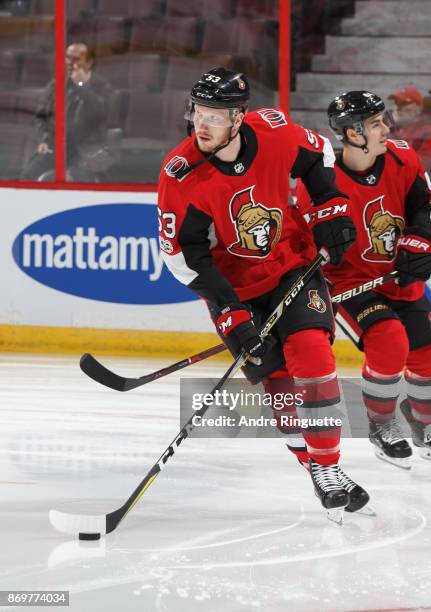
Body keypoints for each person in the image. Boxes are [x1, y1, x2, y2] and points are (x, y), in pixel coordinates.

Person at [158, 67, 370, 523]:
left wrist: (329, 210)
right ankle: (315, 463)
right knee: (281, 389)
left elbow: (316, 158)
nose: (203, 123)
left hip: (292, 264)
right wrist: (231, 313)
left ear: (239, 117)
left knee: (313, 357)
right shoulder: (180, 175)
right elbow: (184, 256)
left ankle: (330, 468)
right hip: (234, 290)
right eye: (199, 112)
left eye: (215, 114)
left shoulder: (274, 131)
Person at [296, 90, 431, 469]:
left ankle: (423, 423)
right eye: (375, 124)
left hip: (399, 278)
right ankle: (382, 425)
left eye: (383, 120)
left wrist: (420, 243)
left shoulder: (403, 157)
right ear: (352, 133)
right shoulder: (321, 181)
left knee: (426, 354)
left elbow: (425, 206)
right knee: (389, 341)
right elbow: (310, 241)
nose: (386, 128)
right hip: (351, 285)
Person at [21, 42, 113, 181]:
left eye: (76, 59)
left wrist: (82, 86)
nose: (70, 63)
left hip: (85, 151)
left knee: (72, 178)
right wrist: (43, 139)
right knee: (29, 175)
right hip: (56, 148)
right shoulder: (56, 85)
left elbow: (101, 113)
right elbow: (41, 117)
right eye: (68, 58)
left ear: (89, 63)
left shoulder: (101, 85)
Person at [388, 86, 431, 172]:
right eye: (396, 103)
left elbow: (422, 168)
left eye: (403, 103)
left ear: (418, 108)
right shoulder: (401, 130)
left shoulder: (426, 132)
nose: (397, 108)